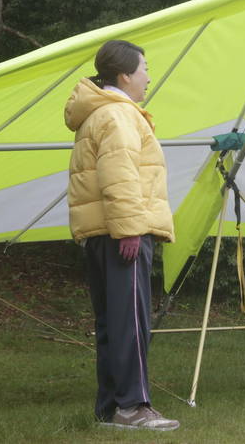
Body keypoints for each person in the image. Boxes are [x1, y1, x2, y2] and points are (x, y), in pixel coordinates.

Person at [65, 40, 179, 431]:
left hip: (103, 232)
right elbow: (120, 175)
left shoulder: (98, 113)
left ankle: (110, 407)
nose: (148, 76)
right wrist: (130, 229)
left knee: (113, 323)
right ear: (124, 75)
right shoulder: (118, 115)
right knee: (131, 321)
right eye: (144, 68)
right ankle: (133, 406)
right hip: (122, 232)